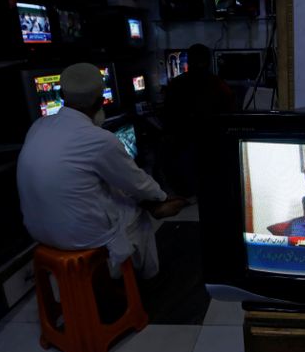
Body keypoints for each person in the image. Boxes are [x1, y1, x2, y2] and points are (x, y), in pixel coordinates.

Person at [17, 62, 186, 279]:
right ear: (100, 100)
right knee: (138, 212)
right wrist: (160, 198)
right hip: (80, 237)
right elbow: (136, 181)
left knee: (113, 191)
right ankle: (147, 278)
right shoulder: (98, 139)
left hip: (38, 232)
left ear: (61, 95)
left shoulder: (38, 126)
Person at [162, 44, 236, 195]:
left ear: (188, 62)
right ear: (209, 62)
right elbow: (231, 115)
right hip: (213, 144)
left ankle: (189, 194)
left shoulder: (176, 84)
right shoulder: (220, 86)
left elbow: (167, 118)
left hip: (185, 142)